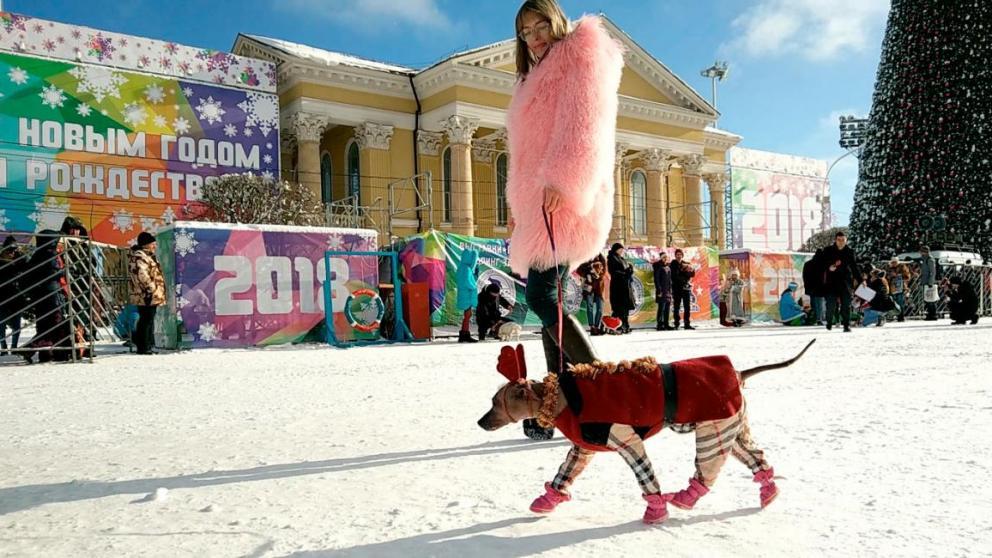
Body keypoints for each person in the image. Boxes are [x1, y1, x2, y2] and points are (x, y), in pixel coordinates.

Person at [505, 0, 624, 439]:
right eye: (525, 31)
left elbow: (585, 123)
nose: (534, 36)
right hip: (541, 206)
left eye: (541, 26)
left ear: (557, 21)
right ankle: (555, 408)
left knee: (542, 299)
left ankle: (605, 388)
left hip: (566, 199)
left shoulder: (579, 56)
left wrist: (562, 179)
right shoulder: (532, 76)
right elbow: (524, 153)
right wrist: (522, 208)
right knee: (547, 306)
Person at [128, 232, 166, 355]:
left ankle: (147, 344)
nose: (155, 246)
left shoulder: (147, 255)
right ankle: (144, 346)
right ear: (146, 244)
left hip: (150, 293)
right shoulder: (140, 256)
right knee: (146, 319)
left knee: (148, 319)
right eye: (153, 243)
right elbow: (142, 275)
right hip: (146, 294)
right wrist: (151, 288)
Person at [821, 231, 858, 332]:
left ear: (846, 240)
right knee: (831, 305)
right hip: (831, 282)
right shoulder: (828, 250)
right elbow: (821, 264)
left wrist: (860, 280)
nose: (841, 242)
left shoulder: (850, 252)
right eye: (839, 240)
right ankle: (829, 322)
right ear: (835, 240)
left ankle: (846, 325)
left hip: (845, 282)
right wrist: (829, 267)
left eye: (843, 240)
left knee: (846, 305)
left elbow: (854, 267)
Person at [0, 236, 26, 356]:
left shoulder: (19, 261)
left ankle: (14, 347)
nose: (12, 253)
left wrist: (20, 254)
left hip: (16, 296)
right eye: (9, 250)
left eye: (13, 250)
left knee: (16, 324)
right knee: (1, 324)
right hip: (2, 296)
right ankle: (3, 346)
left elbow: (28, 263)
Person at [607, 243, 635, 334]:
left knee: (625, 307)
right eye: (620, 249)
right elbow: (613, 272)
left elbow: (626, 271)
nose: (622, 251)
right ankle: (615, 326)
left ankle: (625, 325)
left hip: (625, 286)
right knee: (618, 308)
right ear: (616, 249)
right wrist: (625, 273)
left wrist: (630, 270)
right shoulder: (612, 258)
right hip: (617, 286)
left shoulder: (622, 259)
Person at [578, 254, 607, 335]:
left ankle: (597, 326)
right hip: (589, 287)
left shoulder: (601, 256)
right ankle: (592, 327)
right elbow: (579, 270)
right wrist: (589, 269)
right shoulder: (586, 255)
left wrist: (598, 275)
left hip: (599, 287)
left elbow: (604, 270)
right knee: (589, 307)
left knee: (600, 308)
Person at [455, 248, 479, 343]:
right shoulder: (466, 269)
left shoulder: (461, 267)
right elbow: (468, 282)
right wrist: (474, 287)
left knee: (467, 315)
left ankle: (465, 333)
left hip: (464, 294)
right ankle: (464, 334)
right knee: (467, 315)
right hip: (467, 294)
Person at [670, 248, 696, 330]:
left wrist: (689, 270)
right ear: (675, 256)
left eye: (680, 254)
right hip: (677, 288)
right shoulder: (673, 264)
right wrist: (684, 276)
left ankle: (687, 324)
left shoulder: (686, 263)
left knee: (687, 307)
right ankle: (676, 323)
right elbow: (674, 276)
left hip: (686, 289)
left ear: (682, 255)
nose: (679, 256)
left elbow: (692, 274)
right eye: (677, 255)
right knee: (676, 307)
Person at [802, 249, 826, 325]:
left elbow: (804, 276)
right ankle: (819, 319)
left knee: (813, 304)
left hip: (810, 288)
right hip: (820, 288)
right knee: (820, 304)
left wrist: (807, 286)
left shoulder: (807, 264)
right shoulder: (823, 264)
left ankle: (813, 319)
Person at [886, 257, 911, 322]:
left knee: (900, 302)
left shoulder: (903, 267)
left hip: (901, 287)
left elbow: (907, 276)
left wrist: (897, 275)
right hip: (892, 288)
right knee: (894, 302)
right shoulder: (889, 268)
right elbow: (887, 277)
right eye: (892, 262)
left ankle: (901, 317)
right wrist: (890, 276)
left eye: (895, 262)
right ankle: (894, 315)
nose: (894, 264)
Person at [652, 252, 673, 330]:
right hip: (661, 291)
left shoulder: (668, 267)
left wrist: (670, 290)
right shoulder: (658, 266)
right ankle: (660, 324)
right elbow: (656, 279)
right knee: (661, 308)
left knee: (667, 308)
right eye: (664, 257)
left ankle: (666, 324)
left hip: (667, 291)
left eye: (666, 257)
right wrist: (659, 290)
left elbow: (670, 280)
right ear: (661, 258)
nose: (665, 258)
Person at [919, 245, 939, 321]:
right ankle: (930, 314)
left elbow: (932, 272)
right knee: (927, 299)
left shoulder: (930, 260)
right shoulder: (924, 259)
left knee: (931, 299)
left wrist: (931, 282)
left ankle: (933, 314)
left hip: (929, 282)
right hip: (925, 281)